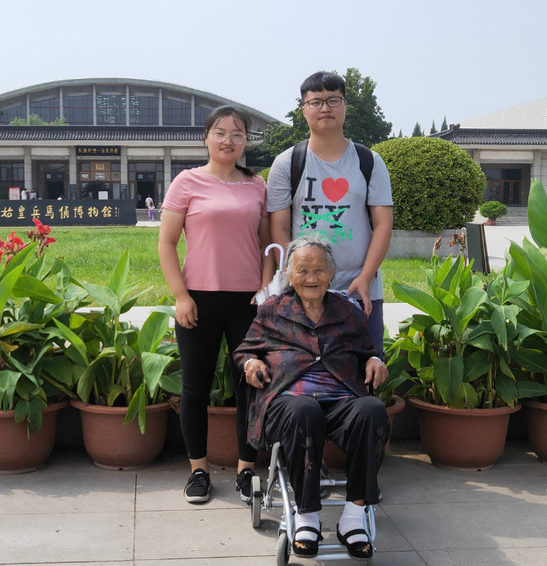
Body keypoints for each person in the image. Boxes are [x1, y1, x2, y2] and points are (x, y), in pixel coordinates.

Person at [233, 235, 388, 560]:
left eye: (319, 270)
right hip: (288, 404)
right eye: (303, 270)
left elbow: (367, 351)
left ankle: (353, 516)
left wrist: (375, 361)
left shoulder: (347, 310)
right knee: (305, 410)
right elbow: (244, 351)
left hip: (341, 402)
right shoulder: (272, 310)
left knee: (371, 409)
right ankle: (307, 516)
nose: (311, 277)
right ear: (289, 273)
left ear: (331, 273)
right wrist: (251, 363)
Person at [158, 105, 274, 505]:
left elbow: (265, 244)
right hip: (199, 301)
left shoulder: (257, 185)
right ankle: (198, 470)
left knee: (249, 386)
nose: (228, 141)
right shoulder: (187, 182)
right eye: (221, 132)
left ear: (245, 141)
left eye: (237, 134)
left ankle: (246, 470)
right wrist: (180, 296)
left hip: (247, 303)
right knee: (195, 388)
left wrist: (264, 289)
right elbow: (166, 243)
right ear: (206, 137)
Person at [267, 71, 394, 356]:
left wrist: (366, 275)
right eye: (316, 102)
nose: (325, 108)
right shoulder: (287, 163)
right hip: (304, 289)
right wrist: (293, 276)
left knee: (364, 369)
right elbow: (279, 228)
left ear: (345, 106)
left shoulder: (369, 161)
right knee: (305, 373)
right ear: (304, 110)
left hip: (359, 290)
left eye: (333, 100)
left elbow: (383, 224)